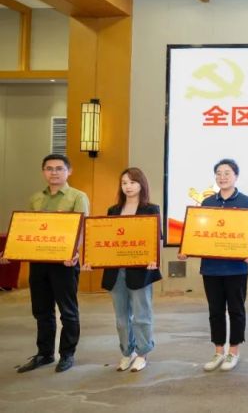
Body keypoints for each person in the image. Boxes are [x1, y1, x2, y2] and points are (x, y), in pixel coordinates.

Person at [0, 154, 89, 373]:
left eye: (59, 168)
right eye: (49, 169)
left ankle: (67, 354)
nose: (54, 172)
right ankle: (45, 353)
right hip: (39, 262)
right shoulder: (36, 198)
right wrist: (12, 250)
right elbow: (28, 228)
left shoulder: (78, 197)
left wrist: (75, 252)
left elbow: (82, 228)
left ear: (69, 171)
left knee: (68, 311)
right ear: (43, 172)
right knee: (41, 310)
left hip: (65, 263)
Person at [178, 159, 248, 372]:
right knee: (215, 311)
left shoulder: (247, 202)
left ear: (236, 176)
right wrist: (187, 249)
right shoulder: (207, 203)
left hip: (236, 268)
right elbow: (198, 232)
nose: (223, 177)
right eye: (219, 173)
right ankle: (218, 351)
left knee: (236, 310)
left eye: (227, 173)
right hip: (211, 268)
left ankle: (233, 352)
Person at [100, 168, 161, 372]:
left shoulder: (151, 209)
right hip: (115, 270)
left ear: (141, 185)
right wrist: (93, 258)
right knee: (121, 318)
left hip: (140, 270)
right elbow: (105, 238)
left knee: (142, 316)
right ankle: (127, 352)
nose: (128, 186)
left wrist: (154, 259)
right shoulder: (113, 210)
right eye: (124, 183)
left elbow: (157, 238)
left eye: (133, 182)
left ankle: (142, 353)